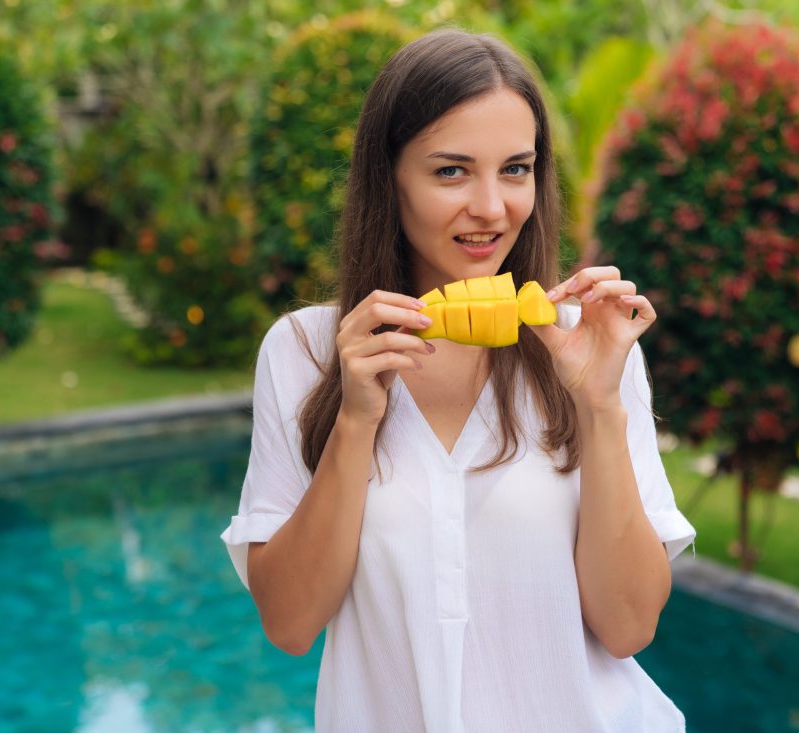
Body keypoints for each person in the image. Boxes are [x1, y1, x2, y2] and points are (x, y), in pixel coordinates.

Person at [221, 28, 696, 732]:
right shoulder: (306, 351)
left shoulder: (591, 343)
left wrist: (599, 406)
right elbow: (290, 623)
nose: (493, 208)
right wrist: (355, 419)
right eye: (451, 171)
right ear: (388, 179)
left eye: (515, 169)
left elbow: (628, 626)